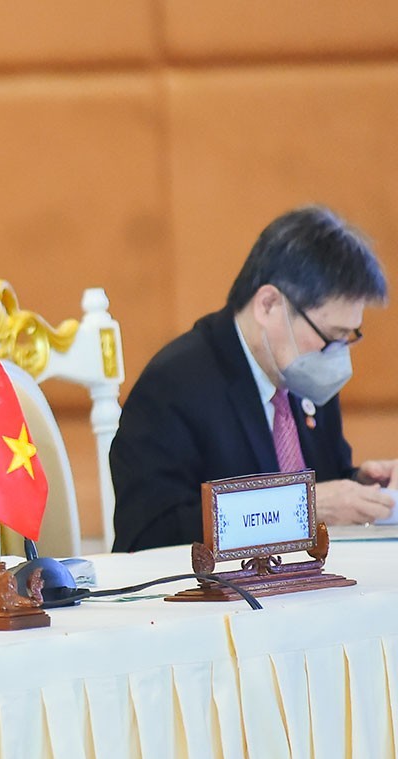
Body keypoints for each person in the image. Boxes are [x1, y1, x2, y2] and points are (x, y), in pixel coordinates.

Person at [111, 205, 396, 551]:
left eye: (348, 337)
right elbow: (148, 534)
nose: (337, 353)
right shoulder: (174, 385)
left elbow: (322, 487)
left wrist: (362, 486)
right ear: (268, 305)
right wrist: (299, 508)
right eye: (331, 335)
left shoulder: (305, 374)